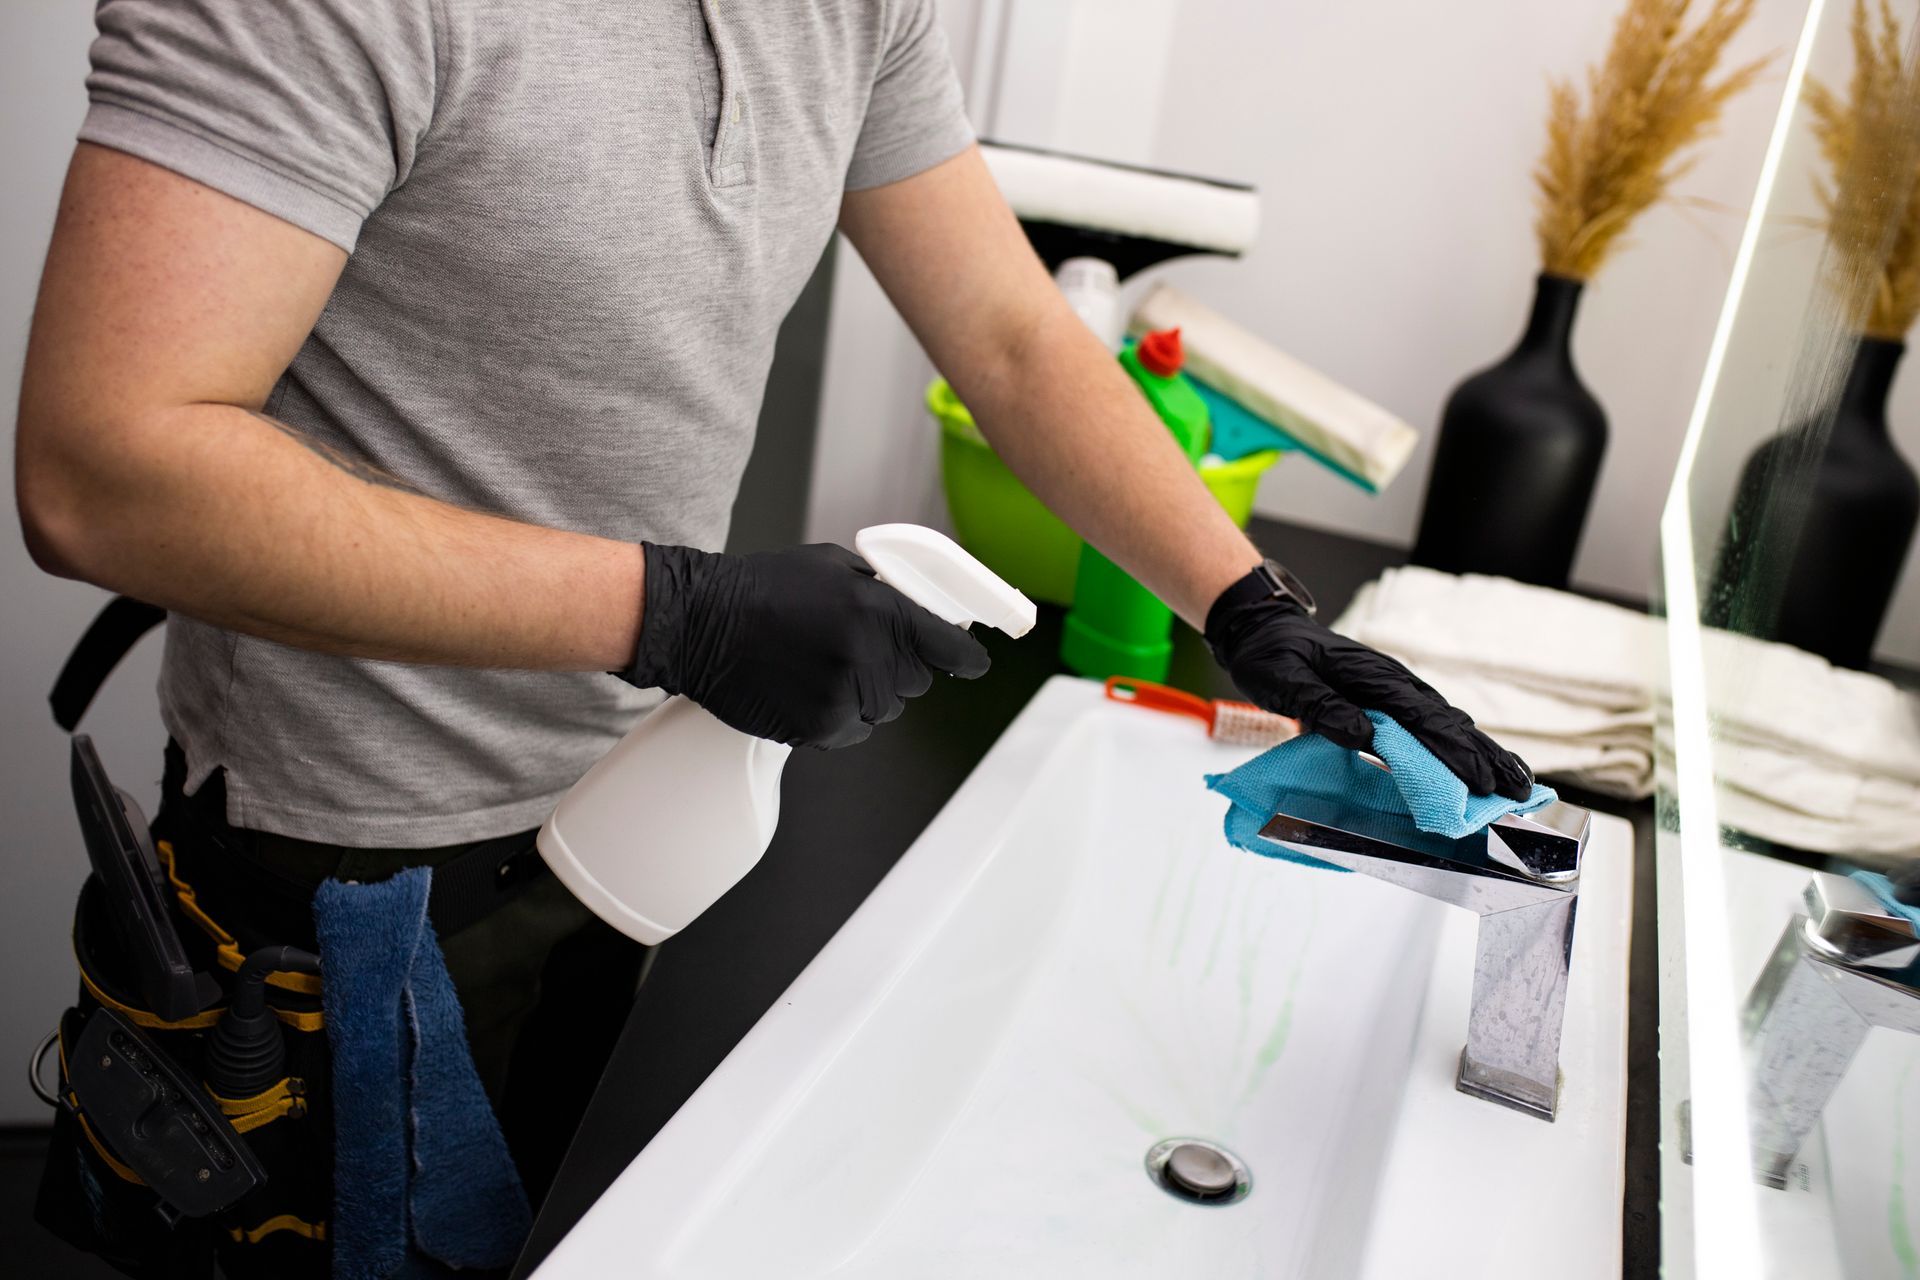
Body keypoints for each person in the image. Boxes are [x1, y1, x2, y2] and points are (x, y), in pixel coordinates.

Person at [14, 1, 1533, 1275]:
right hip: (357, 885)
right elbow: (101, 469)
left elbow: (1010, 337)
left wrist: (1247, 604)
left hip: (642, 829)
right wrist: (676, 611)